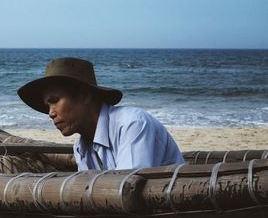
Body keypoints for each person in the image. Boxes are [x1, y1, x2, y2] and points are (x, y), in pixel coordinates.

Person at [17, 57, 184, 171]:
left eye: (54, 100)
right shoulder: (81, 147)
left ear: (84, 95)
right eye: (47, 105)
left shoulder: (132, 125)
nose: (50, 113)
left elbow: (126, 189)